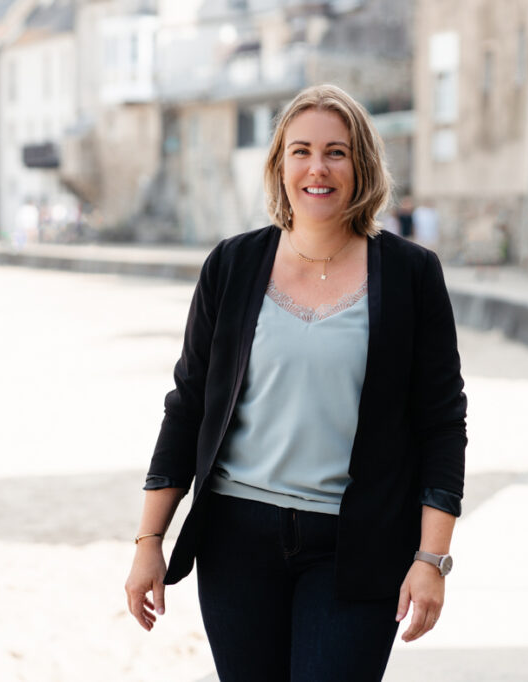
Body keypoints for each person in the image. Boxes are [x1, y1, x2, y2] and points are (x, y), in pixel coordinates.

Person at [124, 84, 467, 682]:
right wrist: (149, 539)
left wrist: (431, 558)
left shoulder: (412, 275)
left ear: (362, 164)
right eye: (301, 150)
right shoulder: (231, 266)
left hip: (358, 545)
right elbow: (188, 406)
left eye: (336, 152)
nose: (318, 168)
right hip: (236, 541)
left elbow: (442, 421)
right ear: (279, 165)